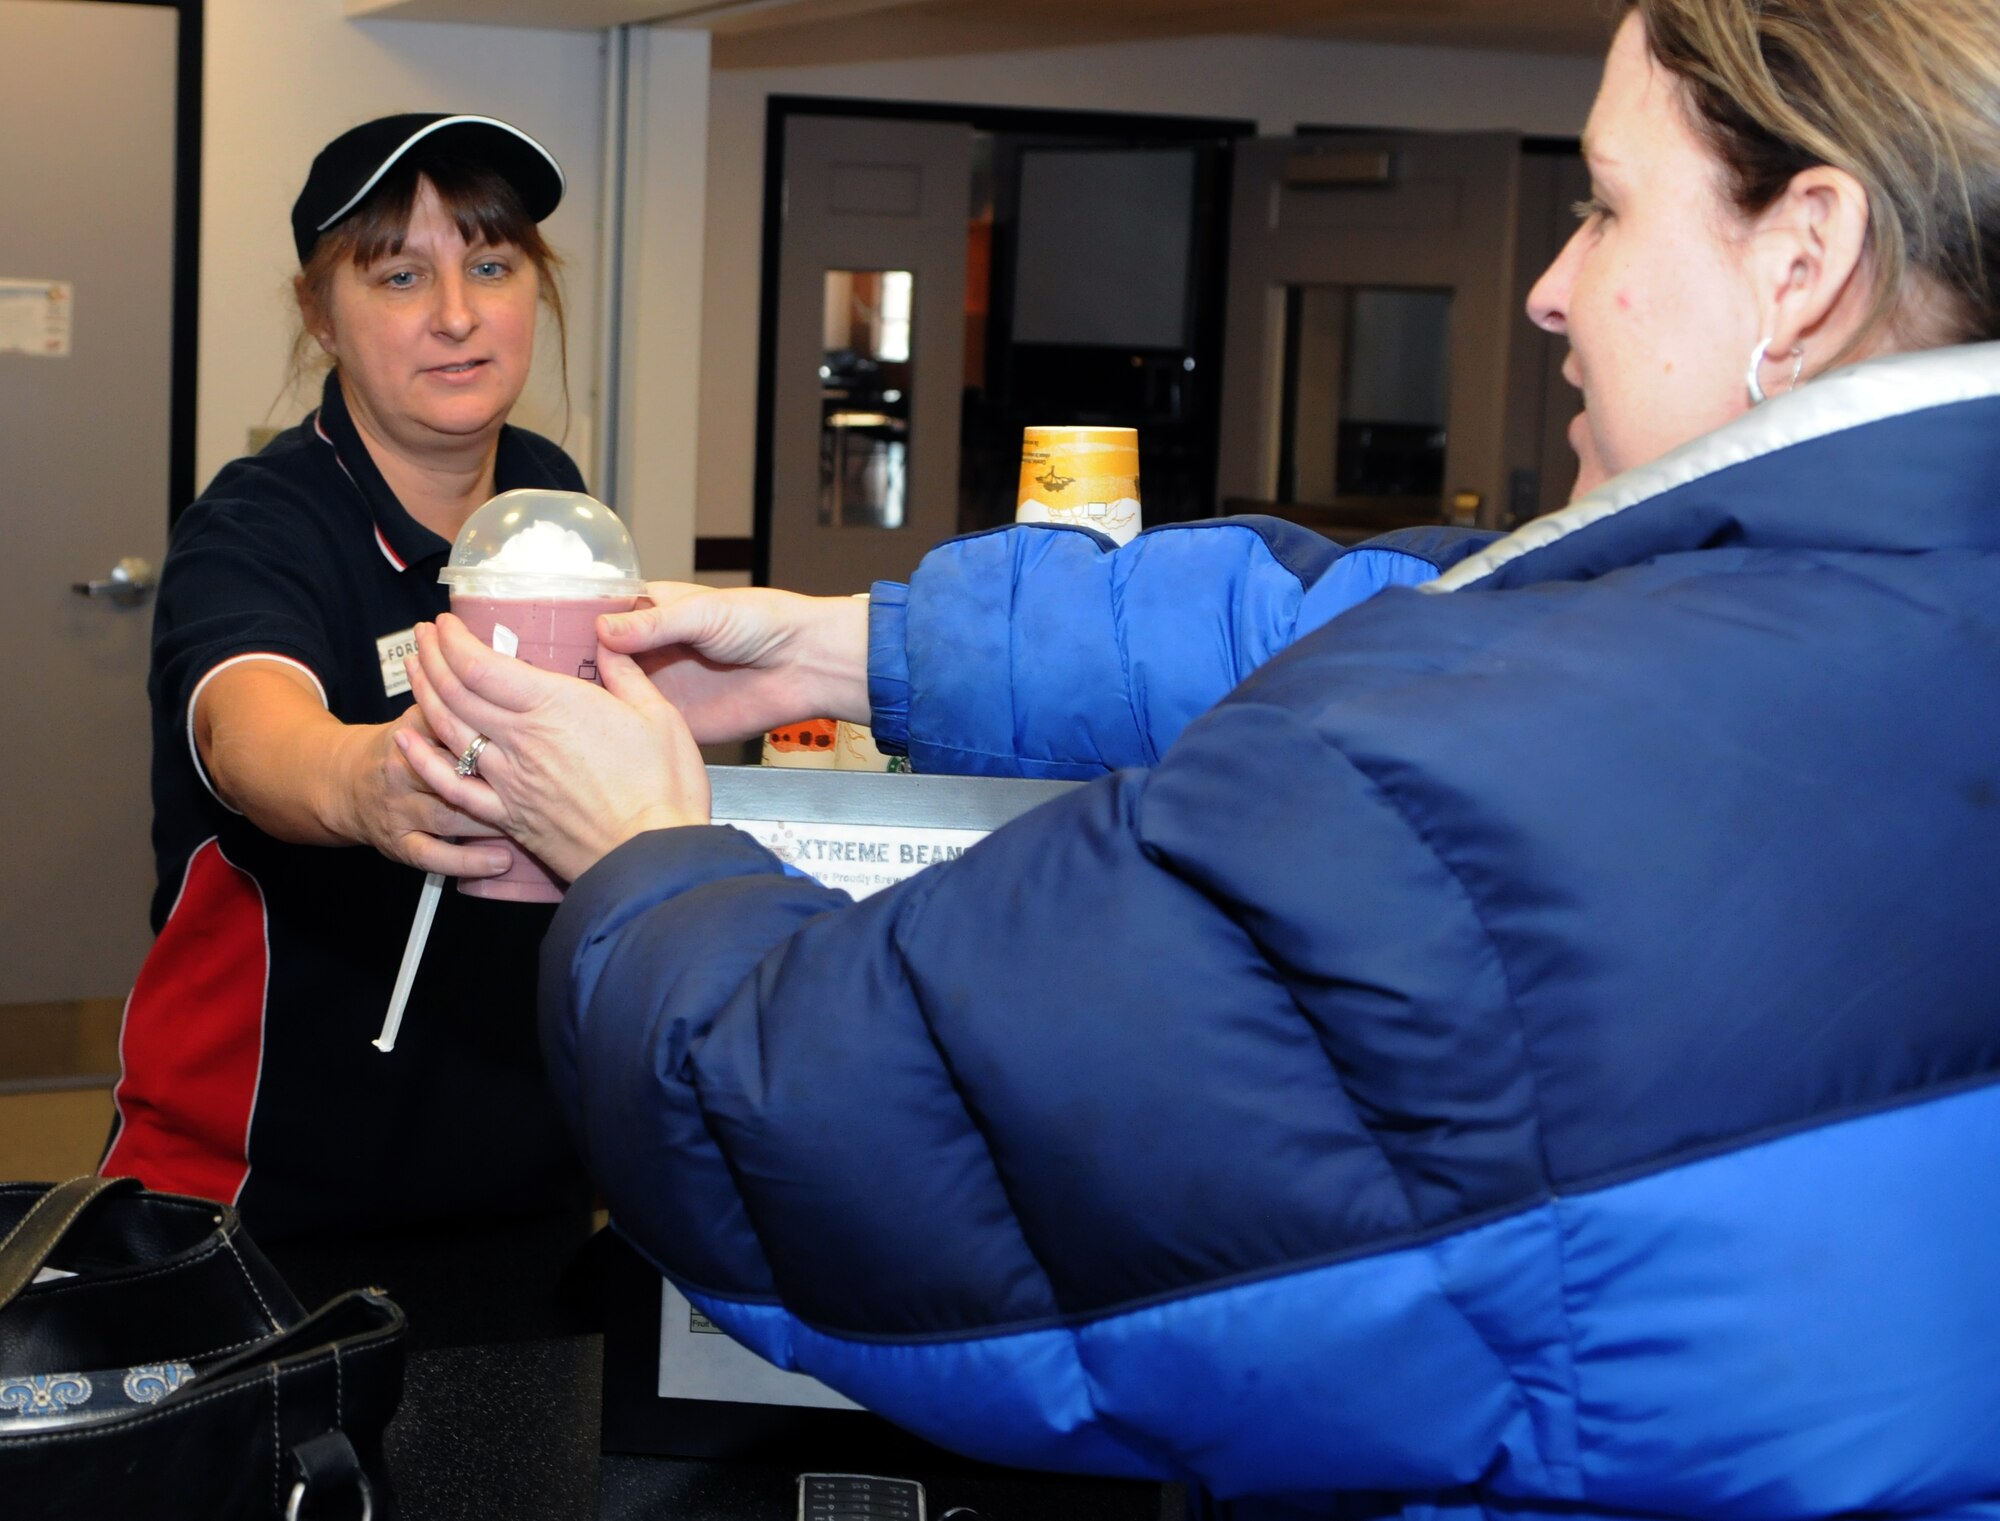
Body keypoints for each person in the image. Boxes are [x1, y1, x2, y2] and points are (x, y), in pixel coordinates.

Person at [406, 0, 2000, 1511]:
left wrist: (643, 861)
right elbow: (1395, 611)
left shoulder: (1512, 780)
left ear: (1805, 261)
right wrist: (854, 649)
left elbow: (842, 1134)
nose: (1551, 286)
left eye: (1602, 207)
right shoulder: (1881, 611)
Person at [105, 114, 597, 1318]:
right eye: (399, 275)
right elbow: (248, 729)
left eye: (491, 265)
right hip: (266, 1203)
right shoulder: (258, 523)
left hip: (525, 1180)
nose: (456, 313)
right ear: (321, 313)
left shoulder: (552, 499)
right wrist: (368, 780)